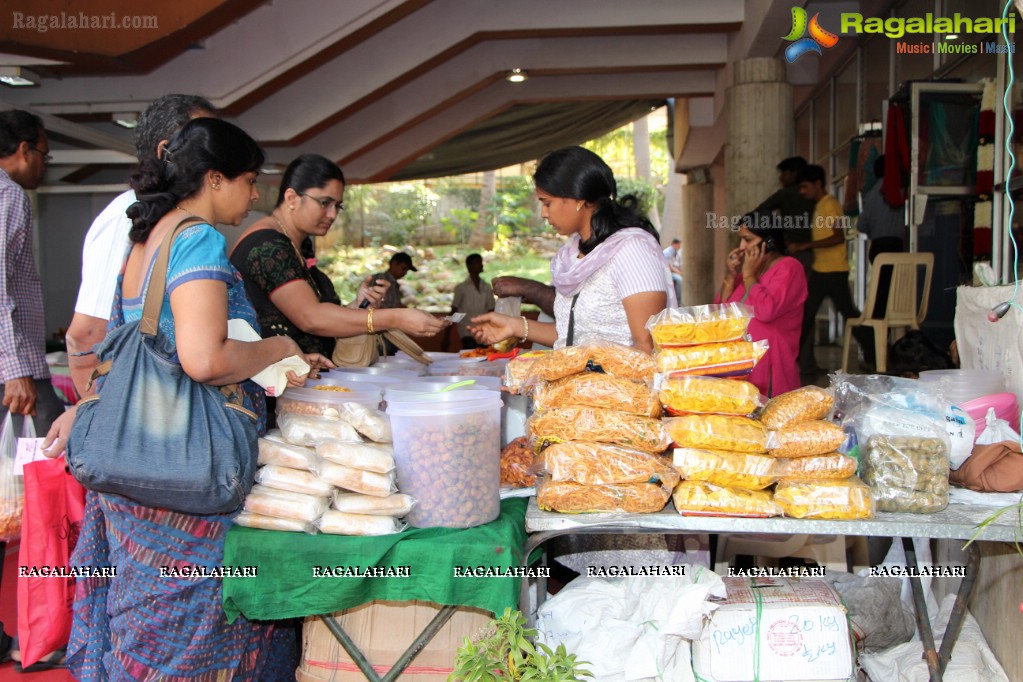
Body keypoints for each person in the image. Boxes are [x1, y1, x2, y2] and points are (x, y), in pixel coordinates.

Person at [45, 118, 328, 681]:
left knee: (146, 630)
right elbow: (203, 359)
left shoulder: (146, 238)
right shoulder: (195, 236)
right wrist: (276, 347)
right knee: (192, 638)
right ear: (214, 179)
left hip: (136, 471)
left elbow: (134, 346)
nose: (253, 197)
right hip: (183, 473)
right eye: (249, 181)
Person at [65, 94, 217, 399]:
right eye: (206, 141)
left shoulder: (178, 220)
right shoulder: (129, 216)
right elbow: (87, 333)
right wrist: (97, 411)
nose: (218, 153)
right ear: (166, 152)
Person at [230, 153, 445, 361]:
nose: (332, 214)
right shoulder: (269, 245)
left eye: (337, 206)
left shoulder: (294, 243)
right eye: (324, 203)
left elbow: (310, 315)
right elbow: (310, 318)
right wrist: (395, 318)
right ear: (292, 198)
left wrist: (358, 306)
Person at [470, 146, 675, 353]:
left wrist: (592, 373)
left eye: (547, 203)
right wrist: (513, 325)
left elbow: (648, 347)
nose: (543, 213)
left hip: (621, 384)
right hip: (580, 383)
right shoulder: (573, 254)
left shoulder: (632, 251)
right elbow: (574, 336)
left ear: (577, 199)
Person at [0, 109, 66, 672]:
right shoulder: (6, 194)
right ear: (22, 149)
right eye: (44, 153)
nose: (45, 165)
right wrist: (14, 368)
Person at [790, 164, 871, 373]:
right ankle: (793, 359)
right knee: (806, 316)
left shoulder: (831, 204)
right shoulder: (819, 205)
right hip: (821, 269)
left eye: (805, 187)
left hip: (834, 271)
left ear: (818, 184)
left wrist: (806, 246)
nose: (802, 192)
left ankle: (874, 352)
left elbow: (838, 236)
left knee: (848, 314)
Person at [716, 220, 807, 396]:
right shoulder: (747, 274)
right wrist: (732, 276)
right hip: (741, 367)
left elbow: (766, 311)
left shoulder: (790, 267)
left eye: (748, 239)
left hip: (771, 369)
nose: (742, 246)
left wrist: (749, 277)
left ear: (769, 242)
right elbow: (721, 315)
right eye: (740, 240)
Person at [744, 156, 816, 270]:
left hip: (793, 249)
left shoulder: (785, 194)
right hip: (815, 251)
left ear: (794, 174)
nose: (780, 178)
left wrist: (775, 230)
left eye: (784, 174)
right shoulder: (815, 195)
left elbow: (760, 211)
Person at [856, 154, 906, 318]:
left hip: (879, 247)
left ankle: (878, 326)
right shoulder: (901, 190)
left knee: (881, 289)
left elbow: (861, 225)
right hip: (898, 246)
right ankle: (892, 323)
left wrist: (875, 230)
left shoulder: (870, 196)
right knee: (898, 289)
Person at [450, 253, 495, 349]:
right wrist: (447, 334)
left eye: (481, 262)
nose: (481, 265)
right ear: (469, 266)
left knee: (483, 357)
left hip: (483, 331)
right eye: (477, 263)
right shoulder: (461, 288)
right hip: (467, 331)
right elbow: (455, 310)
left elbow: (491, 309)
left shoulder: (486, 287)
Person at [663, 237, 683, 303]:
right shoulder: (668, 252)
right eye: (679, 245)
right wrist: (679, 272)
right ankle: (678, 300)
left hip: (673, 272)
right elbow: (669, 266)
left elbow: (677, 264)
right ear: (675, 244)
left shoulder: (676, 252)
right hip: (666, 272)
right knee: (679, 280)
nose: (680, 246)